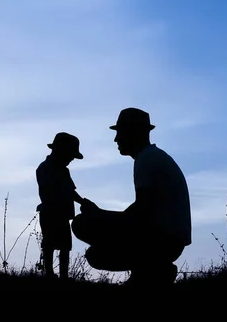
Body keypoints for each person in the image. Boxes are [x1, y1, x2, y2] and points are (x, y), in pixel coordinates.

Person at [71, 107, 192, 286]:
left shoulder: (147, 160)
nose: (116, 139)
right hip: (168, 238)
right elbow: (143, 212)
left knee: (83, 227)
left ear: (133, 133)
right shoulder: (152, 157)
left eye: (120, 133)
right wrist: (101, 213)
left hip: (162, 241)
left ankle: (155, 270)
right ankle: (149, 270)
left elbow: (141, 213)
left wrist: (101, 216)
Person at [36, 132, 89, 280]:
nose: (71, 159)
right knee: (49, 243)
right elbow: (64, 190)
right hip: (50, 212)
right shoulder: (44, 169)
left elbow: (70, 191)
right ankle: (49, 273)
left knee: (65, 245)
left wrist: (83, 202)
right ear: (61, 152)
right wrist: (82, 202)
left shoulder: (63, 170)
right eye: (70, 155)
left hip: (62, 214)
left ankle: (64, 276)